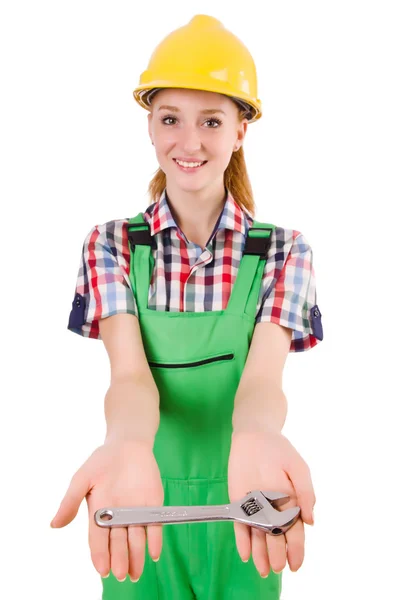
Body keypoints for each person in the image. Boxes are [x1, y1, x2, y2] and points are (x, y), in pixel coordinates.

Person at [50, 14, 323, 600]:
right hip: (138, 509)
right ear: (149, 125)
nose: (189, 141)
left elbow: (262, 382)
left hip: (248, 508)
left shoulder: (283, 252)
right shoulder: (113, 245)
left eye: (212, 120)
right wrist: (124, 445)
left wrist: (255, 435)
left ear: (241, 130)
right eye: (170, 119)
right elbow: (129, 376)